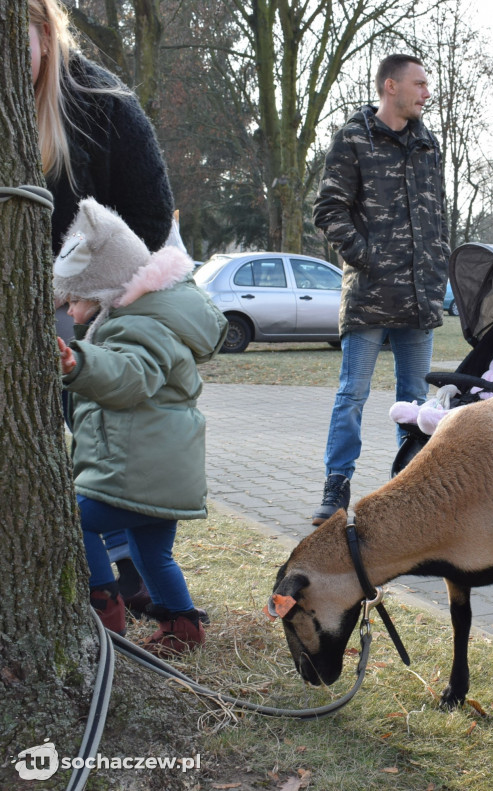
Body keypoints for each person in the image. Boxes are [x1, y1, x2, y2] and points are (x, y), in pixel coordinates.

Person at [30, 0, 175, 612]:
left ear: (43, 29)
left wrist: (84, 296)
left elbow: (149, 216)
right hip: (35, 299)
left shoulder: (102, 101)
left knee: (98, 435)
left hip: (94, 301)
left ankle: (124, 573)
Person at [55, 198, 227, 656]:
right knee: (154, 553)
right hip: (161, 473)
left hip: (139, 473)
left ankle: (104, 613)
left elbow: (130, 377)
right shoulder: (151, 319)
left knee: (72, 518)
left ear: (105, 288)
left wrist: (79, 362)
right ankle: (183, 627)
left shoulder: (134, 328)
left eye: (75, 299)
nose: (70, 313)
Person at [311, 53, 449, 527]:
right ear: (390, 86)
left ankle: (413, 489)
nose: (426, 93)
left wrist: (436, 270)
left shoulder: (428, 143)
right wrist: (368, 258)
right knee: (353, 394)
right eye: (419, 84)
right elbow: (328, 210)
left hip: (419, 297)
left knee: (416, 399)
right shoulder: (353, 138)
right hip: (370, 295)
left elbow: (437, 217)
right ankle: (336, 488)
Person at [388, 344, 493, 435]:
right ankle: (415, 413)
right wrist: (452, 389)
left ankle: (440, 420)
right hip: (468, 401)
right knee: (439, 400)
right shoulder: (487, 375)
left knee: (463, 412)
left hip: (487, 412)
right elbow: (469, 390)